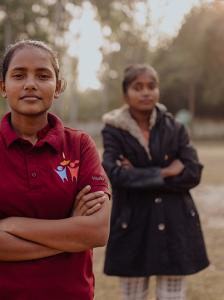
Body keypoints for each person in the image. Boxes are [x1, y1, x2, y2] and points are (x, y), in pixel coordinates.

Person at [0, 40, 111, 300]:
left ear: (58, 86)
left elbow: (96, 232)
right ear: (3, 87)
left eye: (43, 75)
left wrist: (11, 225)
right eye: (18, 75)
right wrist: (68, 234)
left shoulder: (80, 145)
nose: (30, 83)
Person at [101, 64, 209, 300]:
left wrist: (139, 174)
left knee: (172, 296)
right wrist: (165, 173)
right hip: (132, 224)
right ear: (125, 93)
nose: (146, 92)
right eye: (137, 87)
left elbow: (193, 172)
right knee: (132, 296)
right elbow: (116, 175)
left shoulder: (176, 127)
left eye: (151, 86)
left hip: (174, 222)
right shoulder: (113, 131)